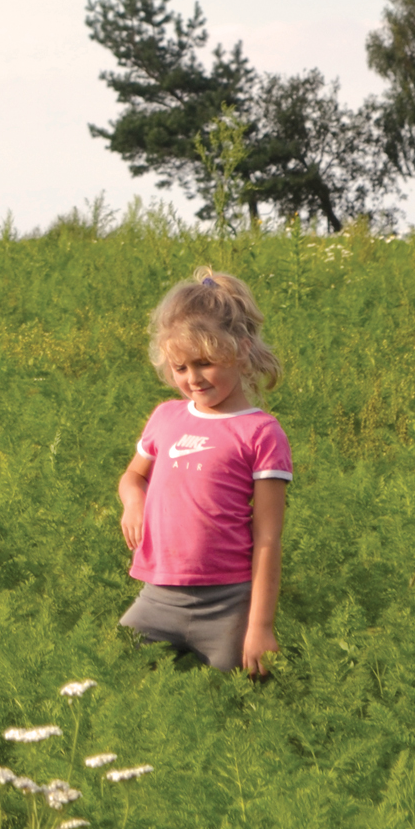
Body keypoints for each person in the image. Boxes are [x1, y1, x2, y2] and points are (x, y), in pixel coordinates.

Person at [114, 268, 291, 676]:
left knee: (239, 707)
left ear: (241, 350)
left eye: (205, 363)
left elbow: (268, 537)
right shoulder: (166, 417)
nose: (192, 379)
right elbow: (132, 476)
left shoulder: (261, 432)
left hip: (228, 604)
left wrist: (259, 627)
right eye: (180, 368)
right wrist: (133, 501)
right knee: (115, 676)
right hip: (157, 598)